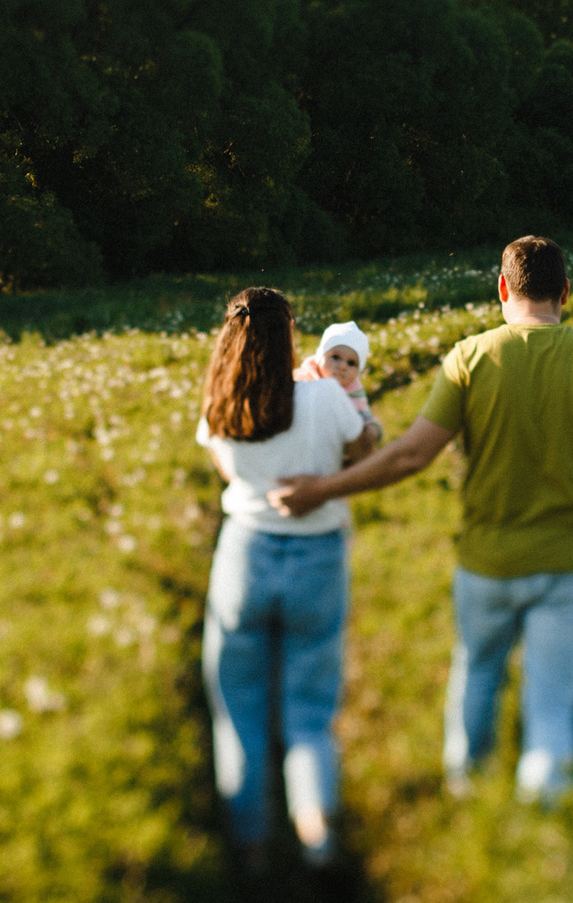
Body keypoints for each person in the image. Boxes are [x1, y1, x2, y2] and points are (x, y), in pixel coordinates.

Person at [271, 236, 573, 802]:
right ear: (565, 292)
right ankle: (545, 824)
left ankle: (466, 799)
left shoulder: (470, 357)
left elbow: (410, 455)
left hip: (487, 562)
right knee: (551, 705)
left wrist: (323, 489)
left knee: (478, 675)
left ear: (503, 288)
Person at [196, 287, 381, 866]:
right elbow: (365, 451)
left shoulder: (220, 402)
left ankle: (249, 842)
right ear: (291, 339)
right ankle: (315, 833)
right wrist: (355, 413)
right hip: (318, 554)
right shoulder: (327, 396)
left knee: (237, 706)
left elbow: (229, 470)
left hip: (245, 554)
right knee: (310, 707)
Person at [295, 320, 383, 439]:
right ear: (320, 357)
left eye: (351, 363)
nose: (342, 366)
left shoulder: (353, 391)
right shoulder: (303, 379)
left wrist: (372, 428)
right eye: (335, 357)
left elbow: (365, 416)